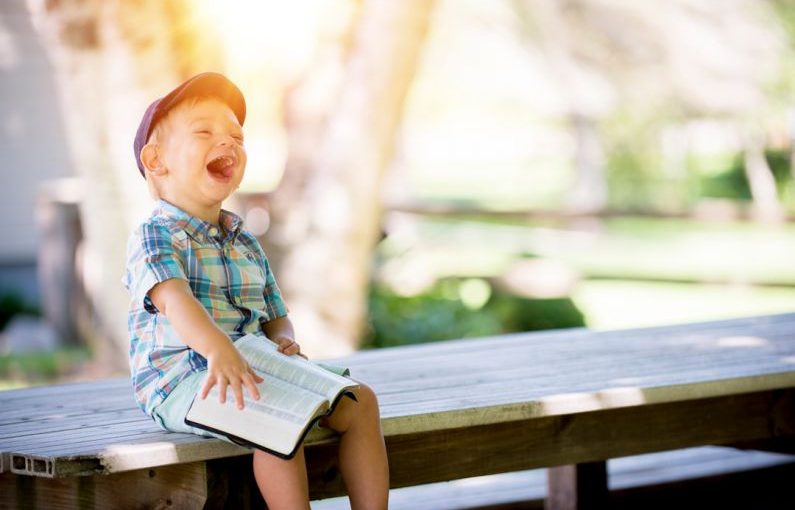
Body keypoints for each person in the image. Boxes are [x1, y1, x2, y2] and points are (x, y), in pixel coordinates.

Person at [123, 72, 389, 509]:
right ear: (156, 161)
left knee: (361, 402)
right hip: (184, 379)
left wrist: (283, 338)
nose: (227, 142)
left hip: (250, 363)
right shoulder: (156, 234)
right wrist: (218, 350)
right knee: (278, 417)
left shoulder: (243, 239)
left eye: (236, 136)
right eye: (204, 132)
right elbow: (175, 300)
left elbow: (273, 310)